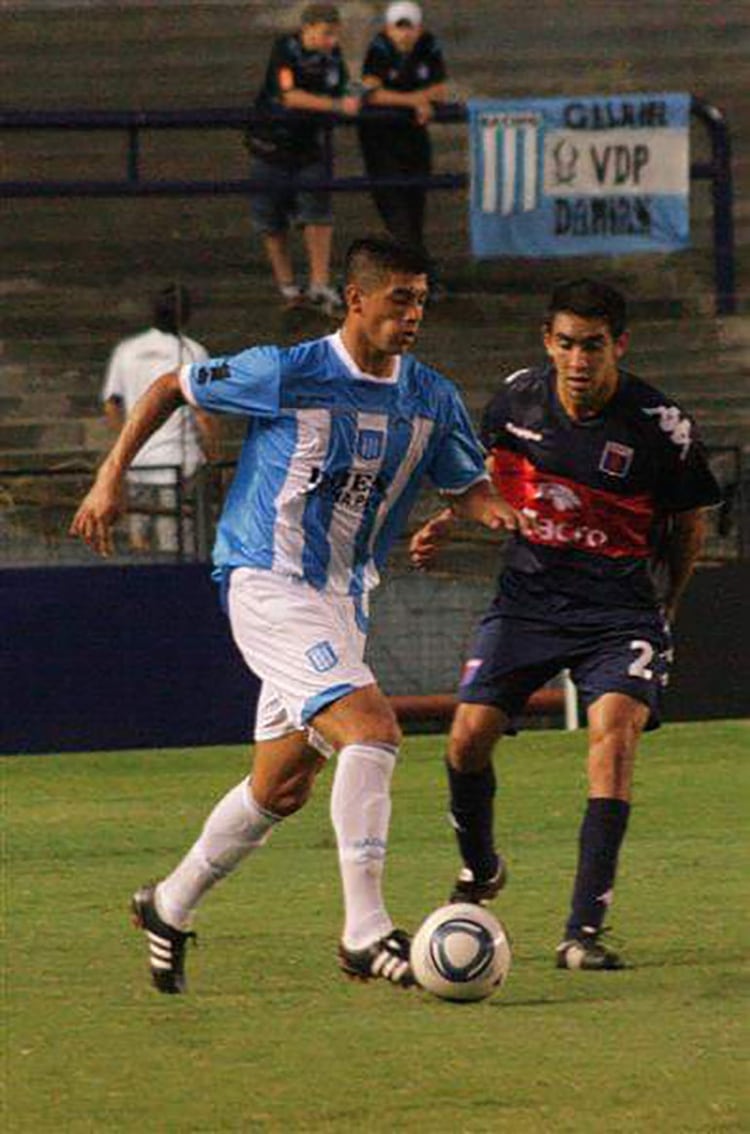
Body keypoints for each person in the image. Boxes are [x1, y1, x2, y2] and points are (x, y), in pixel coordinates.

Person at [70, 236, 526, 995]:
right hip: (268, 581)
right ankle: (364, 930)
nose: (413, 315)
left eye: (421, 300)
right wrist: (108, 478)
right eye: (398, 300)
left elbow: (463, 486)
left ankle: (168, 905)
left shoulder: (432, 396)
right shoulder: (287, 372)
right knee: (373, 731)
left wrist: (492, 511)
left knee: (280, 788)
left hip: (347, 600)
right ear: (356, 299)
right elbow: (170, 387)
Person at [410, 278, 721, 970]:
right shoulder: (518, 400)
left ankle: (582, 932)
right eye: (567, 344)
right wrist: (447, 519)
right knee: (466, 739)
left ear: (619, 346)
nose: (579, 360)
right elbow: (489, 480)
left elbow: (689, 522)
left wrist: (665, 607)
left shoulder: (660, 427)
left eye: (595, 345)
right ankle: (482, 866)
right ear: (548, 342)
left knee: (613, 742)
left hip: (619, 612)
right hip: (528, 600)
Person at [245, 4, 360, 314]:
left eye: (334, 35)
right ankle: (288, 286)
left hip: (308, 147)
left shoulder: (332, 56)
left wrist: (357, 94)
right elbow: (289, 95)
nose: (331, 41)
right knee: (271, 220)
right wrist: (335, 104)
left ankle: (319, 283)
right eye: (326, 34)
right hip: (270, 146)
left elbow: (346, 84)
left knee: (317, 214)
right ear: (307, 29)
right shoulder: (286, 49)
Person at [101, 284, 218, 554]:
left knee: (138, 541)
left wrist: (125, 443)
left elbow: (111, 403)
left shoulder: (126, 351)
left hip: (137, 462)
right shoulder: (193, 352)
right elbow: (204, 415)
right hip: (178, 462)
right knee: (175, 543)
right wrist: (213, 456)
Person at [358, 2, 447, 270]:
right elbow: (371, 92)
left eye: (410, 27)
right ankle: (419, 270)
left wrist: (412, 100)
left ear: (419, 29)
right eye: (399, 27)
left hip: (413, 139)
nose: (405, 34)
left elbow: (440, 90)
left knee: (414, 207)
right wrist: (415, 101)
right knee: (396, 211)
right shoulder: (379, 48)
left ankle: (411, 270)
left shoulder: (429, 45)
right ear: (388, 28)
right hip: (381, 141)